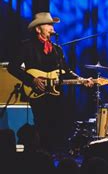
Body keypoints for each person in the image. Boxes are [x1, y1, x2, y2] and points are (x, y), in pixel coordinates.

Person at [7, 12, 94, 153]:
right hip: (37, 92)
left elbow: (66, 71)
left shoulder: (57, 50)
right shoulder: (27, 47)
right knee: (42, 125)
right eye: (48, 24)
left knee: (58, 125)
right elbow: (12, 67)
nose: (51, 27)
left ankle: (55, 156)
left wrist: (81, 80)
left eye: (52, 24)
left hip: (55, 94)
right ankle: (41, 156)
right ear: (38, 29)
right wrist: (31, 80)